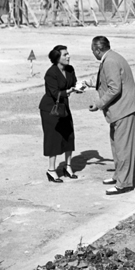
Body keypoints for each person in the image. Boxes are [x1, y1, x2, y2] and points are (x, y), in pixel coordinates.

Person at [84, 36, 135, 195]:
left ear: (97, 49)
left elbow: (114, 88)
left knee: (123, 147)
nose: (93, 54)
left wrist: (98, 104)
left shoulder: (109, 61)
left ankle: (124, 184)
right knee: (116, 145)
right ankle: (119, 175)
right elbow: (105, 80)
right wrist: (87, 83)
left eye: (92, 51)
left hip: (124, 108)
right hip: (121, 109)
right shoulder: (111, 57)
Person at [39, 45, 83, 183]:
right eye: (65, 55)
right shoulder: (50, 73)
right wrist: (69, 91)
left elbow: (73, 84)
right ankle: (51, 170)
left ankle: (68, 166)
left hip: (64, 106)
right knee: (53, 137)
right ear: (57, 58)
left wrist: (79, 88)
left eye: (68, 54)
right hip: (50, 109)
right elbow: (54, 93)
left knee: (68, 135)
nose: (68, 57)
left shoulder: (70, 69)